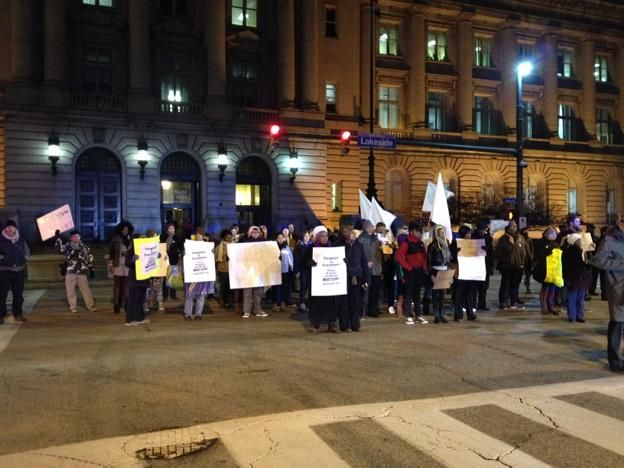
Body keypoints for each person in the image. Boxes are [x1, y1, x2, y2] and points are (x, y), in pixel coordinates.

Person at [592, 218, 624, 372]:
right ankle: (615, 360)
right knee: (617, 322)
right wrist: (621, 265)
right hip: (618, 286)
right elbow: (598, 260)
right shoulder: (610, 239)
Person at [335, 226, 370, 332]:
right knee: (344, 302)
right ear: (342, 234)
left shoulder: (359, 245)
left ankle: (355, 324)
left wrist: (367, 278)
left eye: (350, 231)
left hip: (357, 277)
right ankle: (345, 325)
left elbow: (363, 262)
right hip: (344, 277)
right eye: (346, 232)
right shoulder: (338, 245)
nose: (349, 233)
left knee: (356, 301)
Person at [395, 221, 429, 325]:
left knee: (417, 294)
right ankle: (408, 316)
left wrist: (424, 266)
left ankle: (418, 315)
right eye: (417, 231)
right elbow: (399, 256)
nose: (419, 233)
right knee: (409, 293)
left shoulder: (420, 243)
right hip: (410, 272)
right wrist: (408, 267)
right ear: (412, 231)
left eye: (420, 231)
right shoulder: (406, 243)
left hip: (419, 271)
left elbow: (424, 256)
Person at [306, 226, 338, 334]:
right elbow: (304, 262)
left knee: (331, 303)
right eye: (322, 236)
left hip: (329, 281)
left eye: (326, 236)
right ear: (317, 237)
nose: (325, 238)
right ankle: (316, 325)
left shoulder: (332, 247)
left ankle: (331, 324)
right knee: (317, 304)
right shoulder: (311, 248)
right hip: (317, 282)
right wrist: (309, 263)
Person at [56, 230, 96, 313]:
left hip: (82, 271)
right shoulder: (68, 246)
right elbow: (59, 250)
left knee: (86, 290)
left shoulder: (85, 247)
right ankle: (73, 307)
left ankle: (90, 306)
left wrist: (92, 268)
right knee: (70, 290)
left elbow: (90, 257)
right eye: (74, 236)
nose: (76, 238)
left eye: (78, 236)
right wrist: (58, 239)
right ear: (71, 238)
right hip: (70, 270)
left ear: (80, 237)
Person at [0, 220, 29, 324]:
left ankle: (18, 314)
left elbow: (26, 252)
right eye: (7, 227)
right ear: (5, 228)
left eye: (11, 227)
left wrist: (24, 258)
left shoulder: (20, 240)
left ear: (15, 228)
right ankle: (1, 314)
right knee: (1, 294)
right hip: (4, 270)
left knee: (18, 294)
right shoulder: (1, 240)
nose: (9, 229)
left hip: (18, 270)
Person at [494, 220, 527, 310]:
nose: (514, 228)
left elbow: (524, 251)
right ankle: (503, 302)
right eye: (512, 226)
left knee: (515, 285)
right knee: (505, 285)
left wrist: (523, 263)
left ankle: (514, 301)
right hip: (507, 266)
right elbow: (498, 254)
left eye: (515, 226)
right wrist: (511, 245)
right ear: (507, 228)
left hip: (518, 266)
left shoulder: (520, 237)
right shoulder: (504, 239)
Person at [183, 228, 214, 320]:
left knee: (201, 294)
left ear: (203, 236)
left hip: (202, 273)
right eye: (197, 234)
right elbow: (185, 256)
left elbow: (211, 258)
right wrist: (185, 253)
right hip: (192, 274)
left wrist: (212, 252)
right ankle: (188, 314)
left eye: (200, 234)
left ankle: (198, 314)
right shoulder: (189, 245)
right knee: (189, 294)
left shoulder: (207, 246)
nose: (198, 235)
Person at [532, 227, 563, 315]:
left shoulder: (556, 243)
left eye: (554, 233)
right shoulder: (540, 243)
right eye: (551, 233)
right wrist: (548, 251)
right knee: (545, 288)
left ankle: (550, 305)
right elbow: (538, 255)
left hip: (554, 270)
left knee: (552, 289)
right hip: (544, 270)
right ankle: (544, 307)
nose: (553, 235)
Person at [562, 233, 592, 323]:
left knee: (579, 297)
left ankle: (578, 315)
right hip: (575, 276)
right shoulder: (570, 251)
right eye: (579, 240)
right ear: (574, 241)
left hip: (580, 277)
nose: (581, 242)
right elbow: (567, 265)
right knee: (574, 297)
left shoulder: (582, 251)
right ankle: (574, 315)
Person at [452, 225, 477, 321]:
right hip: (460, 272)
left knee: (469, 294)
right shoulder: (456, 244)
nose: (469, 235)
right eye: (468, 233)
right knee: (459, 294)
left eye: (470, 233)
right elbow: (453, 258)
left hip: (470, 272)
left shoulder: (473, 244)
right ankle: (458, 314)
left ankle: (470, 313)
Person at [242, 226, 268, 318]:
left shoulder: (263, 242)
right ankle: (246, 311)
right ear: (250, 233)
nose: (255, 234)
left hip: (259, 270)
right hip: (248, 270)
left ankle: (257, 310)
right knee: (247, 292)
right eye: (253, 232)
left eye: (257, 232)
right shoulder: (245, 242)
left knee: (258, 292)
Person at [358, 219, 383, 317]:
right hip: (366, 269)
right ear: (365, 228)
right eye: (369, 227)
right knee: (365, 289)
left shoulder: (376, 239)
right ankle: (363, 309)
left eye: (371, 227)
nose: (371, 229)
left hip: (376, 268)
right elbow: (360, 254)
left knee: (375, 290)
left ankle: (374, 309)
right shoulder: (361, 240)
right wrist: (365, 262)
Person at [124, 233, 150, 326]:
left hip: (144, 278)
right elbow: (127, 263)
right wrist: (133, 260)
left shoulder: (146, 250)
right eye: (141, 239)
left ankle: (139, 317)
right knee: (133, 299)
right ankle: (130, 319)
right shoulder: (131, 251)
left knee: (141, 299)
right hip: (134, 278)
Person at [428, 225, 452, 323]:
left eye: (443, 232)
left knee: (442, 294)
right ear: (436, 234)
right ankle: (436, 315)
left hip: (445, 270)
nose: (442, 234)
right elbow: (429, 261)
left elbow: (449, 259)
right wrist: (431, 274)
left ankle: (442, 314)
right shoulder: (432, 245)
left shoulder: (446, 243)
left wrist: (449, 271)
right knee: (435, 294)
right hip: (436, 270)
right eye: (440, 232)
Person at [108, 220, 133, 314]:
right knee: (117, 285)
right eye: (123, 230)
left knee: (126, 285)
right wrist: (111, 264)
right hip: (117, 264)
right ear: (120, 230)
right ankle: (116, 304)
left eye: (127, 230)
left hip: (127, 264)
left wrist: (128, 254)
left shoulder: (131, 240)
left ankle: (127, 304)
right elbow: (111, 253)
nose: (125, 232)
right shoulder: (116, 239)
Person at [472, 220, 494, 311]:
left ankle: (482, 303)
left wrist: (491, 266)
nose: (484, 231)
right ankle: (473, 304)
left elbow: (491, 253)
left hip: (485, 264)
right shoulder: (473, 237)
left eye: (485, 229)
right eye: (483, 229)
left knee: (484, 287)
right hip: (476, 265)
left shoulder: (488, 238)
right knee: (474, 286)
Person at [273, 231, 295, 311]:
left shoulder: (286, 247)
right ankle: (276, 303)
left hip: (285, 270)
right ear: (276, 239)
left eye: (282, 238)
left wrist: (292, 268)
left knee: (284, 287)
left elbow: (290, 258)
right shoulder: (274, 247)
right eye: (279, 238)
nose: (280, 239)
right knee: (277, 288)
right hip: (276, 270)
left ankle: (282, 303)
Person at [161, 222, 182, 301]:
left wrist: (178, 251)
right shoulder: (163, 237)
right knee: (165, 277)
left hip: (174, 258)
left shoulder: (177, 237)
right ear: (167, 229)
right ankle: (165, 295)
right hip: (165, 259)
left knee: (174, 276)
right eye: (170, 228)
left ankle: (173, 295)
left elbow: (180, 246)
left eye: (173, 228)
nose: (171, 229)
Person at [294, 230, 313, 312]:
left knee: (310, 287)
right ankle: (302, 303)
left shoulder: (312, 245)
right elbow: (296, 259)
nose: (307, 237)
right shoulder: (299, 246)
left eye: (308, 236)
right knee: (303, 287)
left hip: (310, 269)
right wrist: (296, 270)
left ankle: (309, 303)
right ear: (303, 237)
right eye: (305, 236)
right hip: (303, 269)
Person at [215, 229, 233, 308]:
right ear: (224, 238)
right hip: (222, 269)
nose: (229, 239)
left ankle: (229, 301)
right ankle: (222, 300)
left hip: (232, 269)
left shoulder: (234, 245)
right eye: (227, 237)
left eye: (230, 237)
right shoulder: (220, 246)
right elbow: (216, 257)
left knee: (230, 286)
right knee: (223, 286)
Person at [520, 227, 534, 294]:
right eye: (525, 231)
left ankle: (528, 287)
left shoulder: (529, 240)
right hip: (521, 259)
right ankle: (527, 285)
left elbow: (532, 249)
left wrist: (531, 257)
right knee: (520, 273)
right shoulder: (520, 239)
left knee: (528, 273)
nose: (526, 232)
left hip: (528, 259)